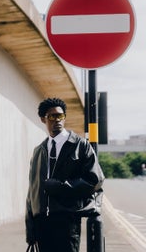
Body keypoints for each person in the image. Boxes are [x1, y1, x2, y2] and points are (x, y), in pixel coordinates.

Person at [25, 97, 104, 252]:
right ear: (43, 119)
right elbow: (31, 192)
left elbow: (95, 180)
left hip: (66, 221)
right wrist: (30, 227)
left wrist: (62, 187)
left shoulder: (80, 145)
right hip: (42, 223)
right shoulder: (38, 151)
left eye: (61, 116)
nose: (58, 120)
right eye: (52, 116)